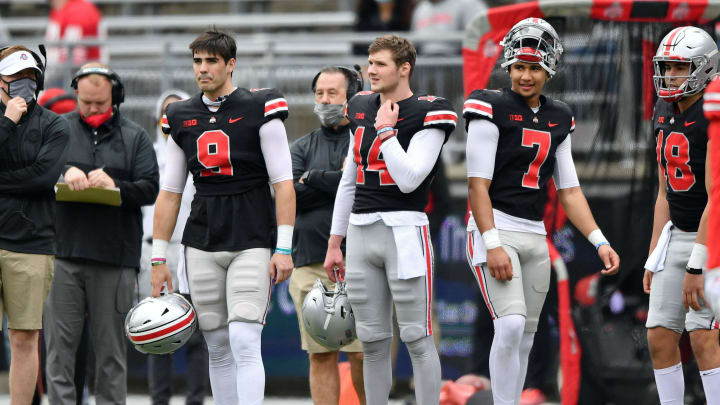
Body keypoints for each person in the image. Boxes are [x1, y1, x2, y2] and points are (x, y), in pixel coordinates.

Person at [463, 18, 620, 405]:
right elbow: (476, 186)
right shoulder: (490, 106)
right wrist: (492, 242)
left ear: (548, 68)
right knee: (511, 324)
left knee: (526, 336)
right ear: (508, 67)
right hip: (495, 226)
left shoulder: (559, 116)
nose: (525, 75)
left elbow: (569, 190)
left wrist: (599, 241)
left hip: (535, 233)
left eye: (534, 67)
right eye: (519, 66)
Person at [150, 29, 295, 405]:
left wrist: (283, 246)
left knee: (244, 338)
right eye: (197, 61)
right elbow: (170, 194)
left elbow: (283, 184)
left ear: (231, 64)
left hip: (252, 236)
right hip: (201, 238)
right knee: (216, 343)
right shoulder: (180, 115)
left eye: (211, 61)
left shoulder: (261, 106)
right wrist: (158, 256)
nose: (203, 69)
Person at [324, 34, 457, 405]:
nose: (371, 71)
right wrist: (336, 242)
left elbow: (410, 177)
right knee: (372, 339)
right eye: (370, 63)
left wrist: (385, 131)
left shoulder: (430, 109)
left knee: (417, 335)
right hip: (361, 232)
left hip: (404, 231)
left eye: (380, 64)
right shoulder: (361, 105)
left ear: (404, 68)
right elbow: (350, 178)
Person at [43, 62, 159, 404]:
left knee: (111, 355)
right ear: (75, 93)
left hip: (115, 259)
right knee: (59, 353)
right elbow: (36, 172)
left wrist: (115, 185)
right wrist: (64, 173)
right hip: (63, 255)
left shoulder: (135, 136)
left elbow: (151, 188)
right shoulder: (56, 130)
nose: (93, 110)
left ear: (115, 98)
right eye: (87, 103)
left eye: (101, 104)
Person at [643, 26, 720, 405]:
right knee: (659, 335)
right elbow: (663, 192)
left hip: (713, 235)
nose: (669, 75)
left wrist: (697, 265)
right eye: (666, 66)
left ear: (705, 68)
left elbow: (716, 197)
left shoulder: (713, 112)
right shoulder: (663, 108)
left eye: (679, 67)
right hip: (678, 232)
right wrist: (654, 252)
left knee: (703, 337)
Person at [289, 66, 366, 405]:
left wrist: (315, 178)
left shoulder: (367, 139)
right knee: (320, 354)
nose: (324, 100)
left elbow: (364, 187)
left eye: (332, 93)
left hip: (359, 263)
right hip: (310, 262)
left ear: (351, 97)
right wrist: (337, 183)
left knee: (363, 353)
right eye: (319, 93)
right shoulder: (301, 145)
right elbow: (289, 196)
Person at [0, 45, 69, 405]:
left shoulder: (55, 124)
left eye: (30, 78)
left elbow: (42, 179)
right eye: (15, 78)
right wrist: (7, 121)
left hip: (31, 242)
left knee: (24, 338)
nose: (24, 85)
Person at [139, 89, 209, 405]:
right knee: (157, 330)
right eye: (166, 115)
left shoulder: (201, 154)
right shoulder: (146, 157)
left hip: (191, 247)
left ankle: (195, 398)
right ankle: (159, 399)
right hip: (153, 251)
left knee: (196, 334)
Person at [410, 0, 486, 55]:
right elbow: (414, 43)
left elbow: (483, 36)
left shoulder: (468, 3)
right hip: (425, 65)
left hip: (457, 64)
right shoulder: (420, 9)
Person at [45, 0, 104, 67]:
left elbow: (75, 55)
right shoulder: (61, 9)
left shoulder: (79, 10)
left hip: (86, 68)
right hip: (73, 66)